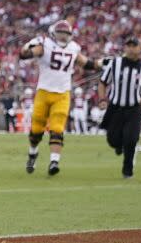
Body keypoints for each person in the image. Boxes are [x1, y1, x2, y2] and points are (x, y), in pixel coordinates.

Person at [19, 20, 98, 176]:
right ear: (54, 33)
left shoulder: (73, 48)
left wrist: (103, 63)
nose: (63, 37)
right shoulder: (45, 44)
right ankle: (33, 153)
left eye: (66, 34)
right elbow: (24, 55)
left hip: (62, 93)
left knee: (57, 127)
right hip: (44, 92)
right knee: (36, 130)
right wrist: (28, 47)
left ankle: (54, 161)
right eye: (61, 33)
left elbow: (87, 63)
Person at [98, 36, 141, 178]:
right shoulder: (115, 64)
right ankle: (119, 146)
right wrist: (102, 99)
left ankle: (127, 171)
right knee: (112, 140)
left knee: (131, 140)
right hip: (116, 107)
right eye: (128, 46)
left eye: (133, 46)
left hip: (133, 108)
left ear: (139, 48)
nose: (130, 49)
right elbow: (102, 82)